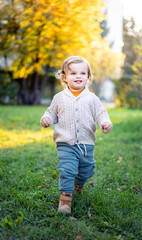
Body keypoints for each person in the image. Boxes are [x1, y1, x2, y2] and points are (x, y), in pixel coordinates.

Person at [40, 56, 112, 214]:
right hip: (65, 142)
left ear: (88, 77)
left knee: (86, 170)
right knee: (68, 170)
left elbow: (101, 114)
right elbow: (51, 113)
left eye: (82, 73)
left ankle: (78, 184)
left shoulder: (92, 98)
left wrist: (105, 123)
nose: (78, 76)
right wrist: (47, 119)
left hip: (86, 144)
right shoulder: (59, 98)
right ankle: (65, 200)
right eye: (73, 73)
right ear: (64, 77)